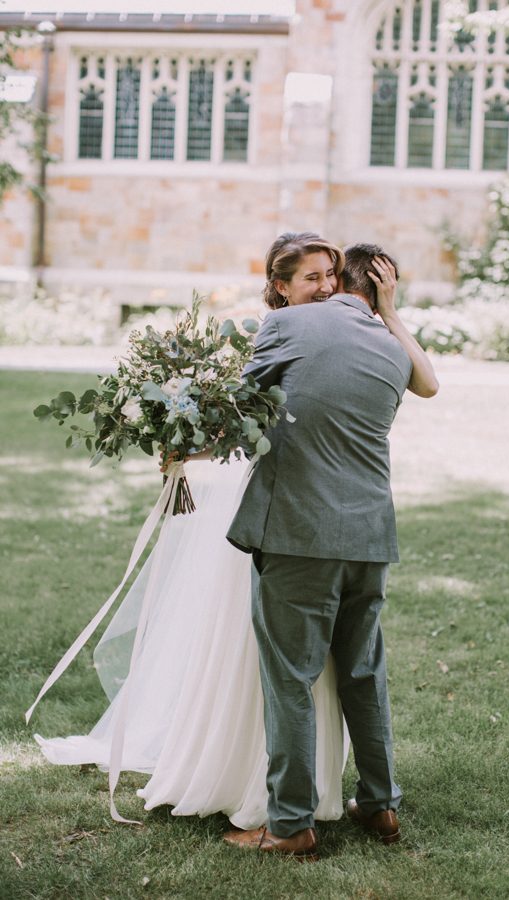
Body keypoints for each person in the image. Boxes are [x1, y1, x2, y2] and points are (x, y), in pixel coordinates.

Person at [31, 233, 361, 827]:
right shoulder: (277, 331)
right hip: (272, 503)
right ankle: (243, 773)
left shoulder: (332, 329)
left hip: (312, 502)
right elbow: (242, 414)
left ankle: (296, 786)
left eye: (330, 275)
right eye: (312, 277)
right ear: (280, 286)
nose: (327, 287)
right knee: (248, 642)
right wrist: (184, 443)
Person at [223, 242, 438, 861]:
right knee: (364, 672)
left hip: (299, 534)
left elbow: (236, 411)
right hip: (370, 534)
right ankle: (380, 804)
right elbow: (428, 385)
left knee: (290, 678)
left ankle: (289, 824)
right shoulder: (394, 347)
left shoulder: (286, 323)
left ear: (338, 278)